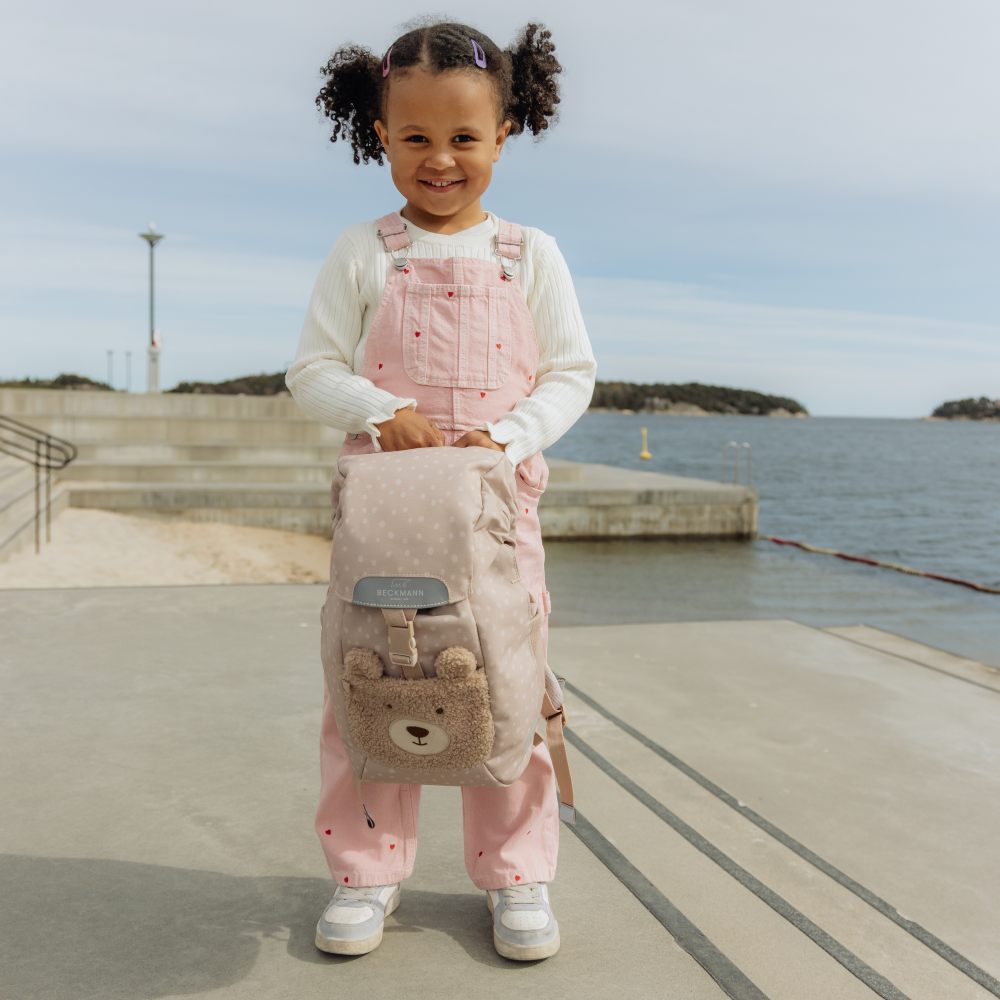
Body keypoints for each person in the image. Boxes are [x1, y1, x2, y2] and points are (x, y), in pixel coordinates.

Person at [285, 18, 597, 962]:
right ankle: (366, 870)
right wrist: (382, 410)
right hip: (383, 524)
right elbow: (310, 370)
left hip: (498, 520)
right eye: (415, 137)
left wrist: (506, 436)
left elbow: (571, 374)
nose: (441, 159)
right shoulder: (364, 250)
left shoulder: (528, 254)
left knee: (505, 686)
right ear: (380, 134)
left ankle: (517, 874)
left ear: (505, 132)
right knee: (369, 683)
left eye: (464, 137)